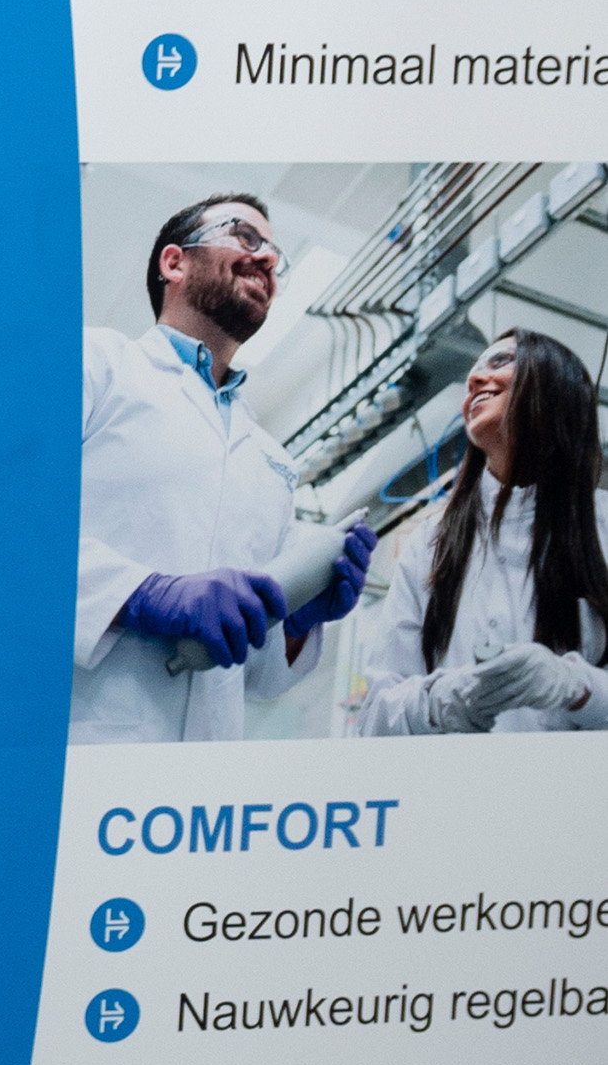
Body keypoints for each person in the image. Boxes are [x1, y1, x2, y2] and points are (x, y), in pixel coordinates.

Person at [74, 191, 373, 743]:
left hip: (206, 764)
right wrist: (143, 594)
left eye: (275, 254)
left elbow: (256, 676)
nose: (267, 259)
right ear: (174, 262)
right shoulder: (95, 364)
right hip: (77, 736)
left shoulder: (272, 461)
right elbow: (2, 523)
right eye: (245, 236)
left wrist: (297, 619)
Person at [355, 326, 608, 733]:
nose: (473, 379)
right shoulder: (430, 542)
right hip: (457, 775)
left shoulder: (603, 526)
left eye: (501, 361)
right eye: (474, 370)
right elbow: (374, 720)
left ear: (555, 382)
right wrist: (436, 703)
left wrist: (576, 687)